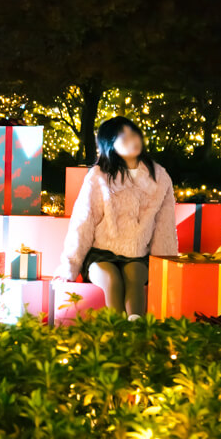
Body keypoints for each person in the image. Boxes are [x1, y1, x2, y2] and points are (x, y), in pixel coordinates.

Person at [53, 117, 177, 319]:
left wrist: (165, 266)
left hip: (137, 255)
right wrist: (69, 267)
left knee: (134, 276)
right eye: (123, 136)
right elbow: (83, 222)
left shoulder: (159, 176)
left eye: (133, 133)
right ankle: (117, 334)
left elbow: (165, 227)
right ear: (110, 144)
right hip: (101, 253)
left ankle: (134, 332)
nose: (132, 139)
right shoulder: (98, 175)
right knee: (112, 279)